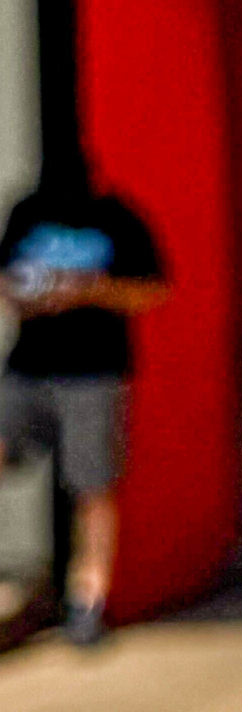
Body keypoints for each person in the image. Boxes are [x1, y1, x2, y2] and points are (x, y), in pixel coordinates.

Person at [0, 169, 166, 645]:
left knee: (92, 488)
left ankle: (87, 603)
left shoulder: (118, 217)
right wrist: (30, 295)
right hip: (26, 369)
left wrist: (89, 290)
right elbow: (5, 280)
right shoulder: (27, 211)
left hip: (95, 373)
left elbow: (153, 290)